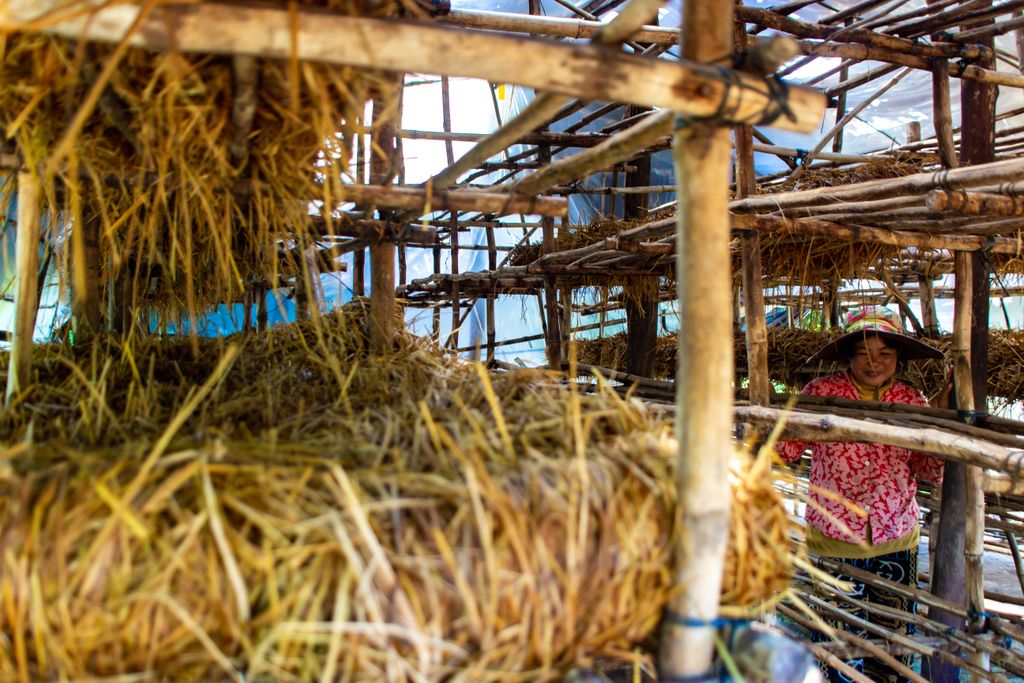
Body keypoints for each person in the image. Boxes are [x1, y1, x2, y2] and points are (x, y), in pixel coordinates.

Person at [777, 307, 945, 683]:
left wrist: (945, 440)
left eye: (885, 353)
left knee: (891, 641)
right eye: (864, 353)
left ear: (897, 358)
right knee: (837, 641)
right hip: (834, 537)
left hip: (895, 535)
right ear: (849, 356)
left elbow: (928, 469)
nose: (874, 363)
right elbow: (784, 451)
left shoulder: (910, 399)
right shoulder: (820, 394)